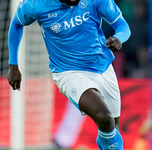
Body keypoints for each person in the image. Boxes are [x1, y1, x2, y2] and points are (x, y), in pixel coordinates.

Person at [7, 0, 131, 149]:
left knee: (111, 129)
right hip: (68, 72)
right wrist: (13, 64)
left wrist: (119, 38)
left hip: (103, 67)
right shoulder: (36, 4)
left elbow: (123, 26)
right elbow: (16, 24)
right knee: (104, 117)